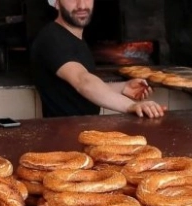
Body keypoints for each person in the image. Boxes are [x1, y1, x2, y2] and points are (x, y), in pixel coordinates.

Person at [30, 0, 166, 118]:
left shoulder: (75, 40)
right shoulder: (51, 39)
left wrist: (123, 87)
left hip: (82, 131)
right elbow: (83, 81)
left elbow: (80, 89)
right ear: (56, 3)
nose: (82, 5)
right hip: (63, 138)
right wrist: (131, 106)